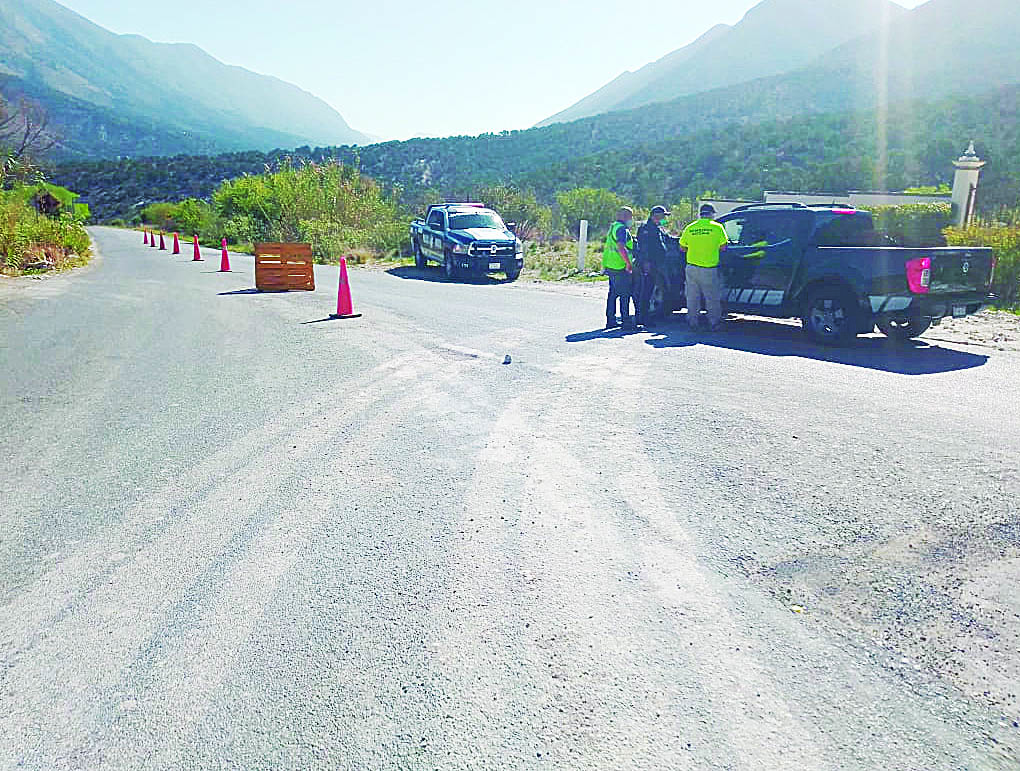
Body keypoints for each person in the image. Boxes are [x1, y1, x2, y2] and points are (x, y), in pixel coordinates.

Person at [679, 203, 729, 331]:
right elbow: (723, 247)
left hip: (692, 268)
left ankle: (692, 321)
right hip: (709, 268)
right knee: (711, 297)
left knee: (692, 296)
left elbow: (682, 247)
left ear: (700, 214)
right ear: (711, 214)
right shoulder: (717, 228)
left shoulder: (690, 228)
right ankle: (714, 322)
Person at [635, 205, 673, 327]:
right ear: (654, 216)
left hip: (657, 264)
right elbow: (644, 247)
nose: (664, 219)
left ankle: (647, 316)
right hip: (649, 264)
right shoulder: (646, 229)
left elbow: (668, 239)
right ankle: (643, 317)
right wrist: (646, 263)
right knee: (646, 292)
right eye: (662, 216)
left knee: (651, 290)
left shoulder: (657, 228)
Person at [602, 207, 636, 329]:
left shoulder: (614, 226)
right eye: (631, 216)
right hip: (620, 266)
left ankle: (610, 320)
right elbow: (621, 247)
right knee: (624, 294)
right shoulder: (621, 229)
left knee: (613, 294)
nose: (631, 219)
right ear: (626, 216)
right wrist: (628, 263)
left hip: (611, 265)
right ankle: (626, 322)